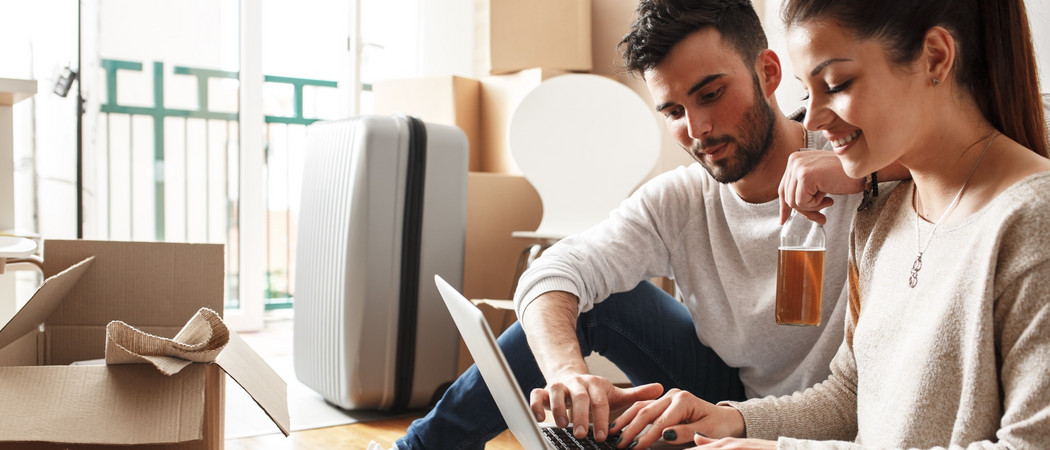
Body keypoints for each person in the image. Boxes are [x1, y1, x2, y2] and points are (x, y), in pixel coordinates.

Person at [393, 1, 901, 448]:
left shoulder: (852, 158)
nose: (697, 129)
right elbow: (556, 270)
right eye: (674, 110)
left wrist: (868, 168)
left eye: (711, 94)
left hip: (834, 412)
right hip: (725, 401)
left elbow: (965, 152)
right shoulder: (679, 199)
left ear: (768, 73)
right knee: (599, 299)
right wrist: (568, 373)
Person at [605, 0, 1050, 448]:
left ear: (935, 56)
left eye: (836, 84)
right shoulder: (882, 212)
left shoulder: (1031, 218)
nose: (813, 118)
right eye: (807, 92)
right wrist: (728, 421)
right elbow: (848, 398)